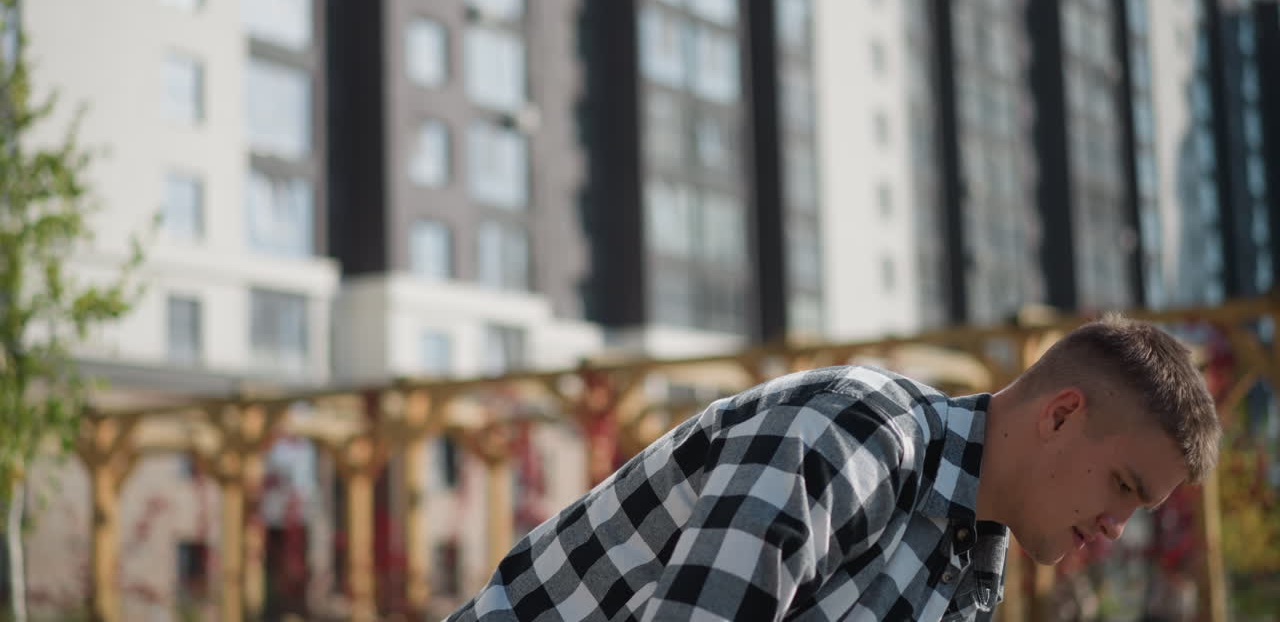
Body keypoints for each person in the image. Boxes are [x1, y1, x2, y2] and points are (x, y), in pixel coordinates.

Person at [444, 315, 1219, 621]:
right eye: (1124, 485)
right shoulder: (861, 434)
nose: (1117, 529)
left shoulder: (972, 567)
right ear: (1060, 415)